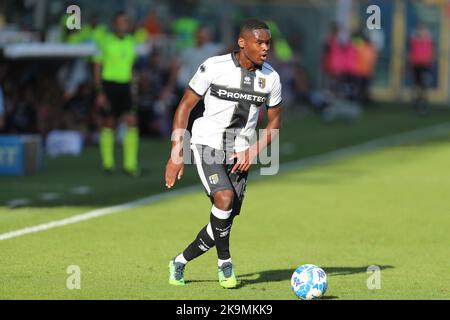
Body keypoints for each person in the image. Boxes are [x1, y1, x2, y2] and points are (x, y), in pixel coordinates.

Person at [164, 19, 282, 288]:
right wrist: (176, 153)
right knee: (224, 198)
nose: (265, 48)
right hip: (207, 144)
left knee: (223, 217)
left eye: (268, 43)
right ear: (243, 43)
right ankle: (225, 264)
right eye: (259, 42)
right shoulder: (214, 66)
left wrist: (253, 151)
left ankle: (180, 261)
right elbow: (184, 107)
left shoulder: (272, 78)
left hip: (241, 153)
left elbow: (274, 122)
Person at [94, 11, 140, 176]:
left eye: (124, 22)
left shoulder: (130, 42)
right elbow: (97, 66)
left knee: (131, 122)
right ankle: (108, 164)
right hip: (109, 86)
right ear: (114, 24)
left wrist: (134, 88)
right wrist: (99, 91)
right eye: (119, 22)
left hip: (125, 86)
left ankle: (130, 165)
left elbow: (132, 67)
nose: (122, 25)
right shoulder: (105, 41)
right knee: (109, 123)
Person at [409, 22, 434, 115]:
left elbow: (430, 52)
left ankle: (423, 103)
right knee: (416, 85)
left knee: (424, 85)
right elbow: (413, 51)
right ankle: (416, 102)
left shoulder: (428, 39)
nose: (422, 31)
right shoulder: (415, 38)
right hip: (416, 65)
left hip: (425, 66)